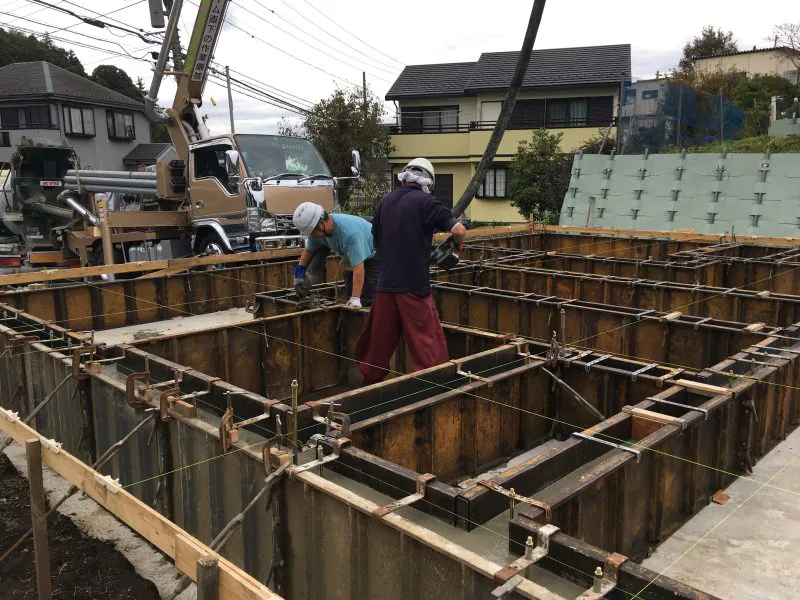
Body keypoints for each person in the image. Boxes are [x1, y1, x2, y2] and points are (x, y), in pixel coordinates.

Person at [355, 158, 467, 386]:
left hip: (385, 286)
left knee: (378, 345)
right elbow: (459, 229)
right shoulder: (427, 202)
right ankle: (431, 392)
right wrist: (457, 244)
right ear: (428, 182)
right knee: (427, 347)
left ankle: (368, 391)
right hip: (414, 287)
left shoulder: (385, 201)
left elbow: (376, 236)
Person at [292, 202, 378, 308]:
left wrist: (356, 298)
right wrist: (299, 272)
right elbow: (309, 251)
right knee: (350, 293)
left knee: (366, 297)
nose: (312, 236)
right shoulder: (319, 232)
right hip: (351, 255)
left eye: (312, 233)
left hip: (374, 253)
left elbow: (359, 268)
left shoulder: (349, 234)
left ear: (320, 224)